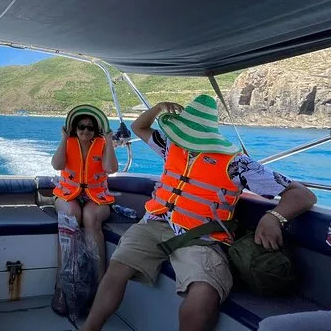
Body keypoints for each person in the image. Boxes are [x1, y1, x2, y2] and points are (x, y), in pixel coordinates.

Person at [81, 95, 317, 331]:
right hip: (154, 223)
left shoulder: (236, 164)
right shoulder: (171, 145)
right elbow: (139, 127)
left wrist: (274, 216)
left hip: (201, 236)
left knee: (204, 294)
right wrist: (159, 108)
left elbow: (302, 194)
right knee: (117, 270)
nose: (184, 141)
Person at [50, 104, 118, 315]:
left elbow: (110, 168)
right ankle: (62, 286)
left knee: (90, 217)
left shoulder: (102, 144)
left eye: (90, 127)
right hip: (67, 194)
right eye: (81, 126)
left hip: (96, 196)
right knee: (70, 216)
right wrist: (64, 139)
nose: (85, 131)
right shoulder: (68, 142)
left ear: (96, 130)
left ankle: (99, 288)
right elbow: (57, 165)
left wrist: (109, 142)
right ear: (74, 128)